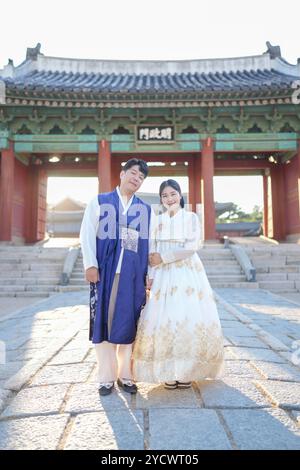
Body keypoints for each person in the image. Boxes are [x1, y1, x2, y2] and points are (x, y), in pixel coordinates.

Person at [132, 179, 224, 389]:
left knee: (186, 315)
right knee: (164, 316)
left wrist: (164, 258)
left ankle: (187, 371)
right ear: (161, 199)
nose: (169, 199)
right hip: (162, 275)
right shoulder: (157, 220)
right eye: (164, 196)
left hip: (186, 272)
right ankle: (167, 370)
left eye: (173, 194)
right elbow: (151, 250)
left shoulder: (191, 217)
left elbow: (191, 247)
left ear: (180, 195)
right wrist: (151, 273)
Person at [80, 158, 151, 396]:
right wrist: (90, 264)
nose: (136, 179)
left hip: (131, 275)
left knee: (128, 323)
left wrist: (147, 275)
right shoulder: (100, 202)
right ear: (121, 174)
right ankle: (106, 378)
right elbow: (87, 233)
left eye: (141, 177)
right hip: (104, 271)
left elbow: (146, 244)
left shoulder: (143, 209)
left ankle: (126, 375)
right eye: (133, 173)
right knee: (103, 322)